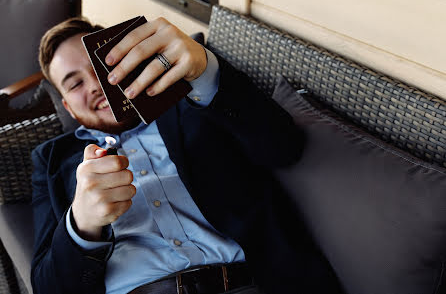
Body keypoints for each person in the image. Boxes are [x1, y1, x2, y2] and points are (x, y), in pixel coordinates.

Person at [31, 16, 342, 294]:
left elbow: (283, 147)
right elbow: (48, 285)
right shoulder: (50, 160)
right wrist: (82, 224)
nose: (97, 84)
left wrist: (207, 71)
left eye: (100, 69)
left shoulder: (190, 100)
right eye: (75, 84)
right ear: (68, 108)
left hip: (250, 282)